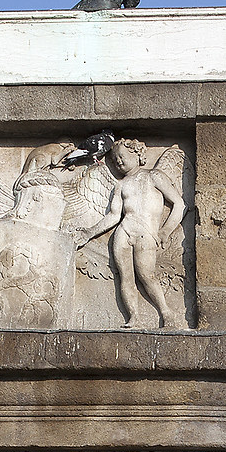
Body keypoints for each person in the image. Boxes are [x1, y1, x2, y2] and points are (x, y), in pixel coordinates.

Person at [81, 139, 185, 329]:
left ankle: (166, 313)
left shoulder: (154, 176)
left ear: (137, 155)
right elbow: (113, 216)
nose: (118, 161)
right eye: (115, 158)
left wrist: (166, 231)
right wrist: (88, 233)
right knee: (126, 277)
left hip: (146, 233)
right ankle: (134, 317)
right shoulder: (120, 185)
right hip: (124, 232)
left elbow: (179, 204)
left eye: (122, 156)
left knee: (146, 275)